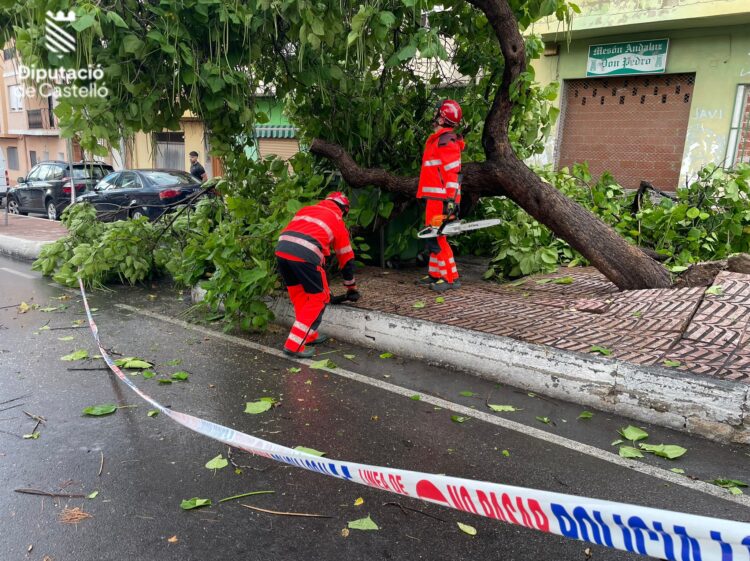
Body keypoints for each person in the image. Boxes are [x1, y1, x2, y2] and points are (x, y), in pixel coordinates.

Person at [275, 192, 360, 358]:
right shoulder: (337, 220)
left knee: (300, 296)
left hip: (282, 251)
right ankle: (294, 345)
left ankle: (309, 334)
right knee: (319, 298)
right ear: (343, 210)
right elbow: (346, 259)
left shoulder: (306, 210)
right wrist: (351, 288)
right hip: (306, 255)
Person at [415, 99, 465, 292]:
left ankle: (450, 277)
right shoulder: (439, 139)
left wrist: (452, 201)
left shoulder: (446, 142)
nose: (434, 116)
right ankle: (436, 274)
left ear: (442, 118)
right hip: (434, 199)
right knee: (433, 236)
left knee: (440, 236)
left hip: (443, 199)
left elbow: (452, 173)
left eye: (437, 114)